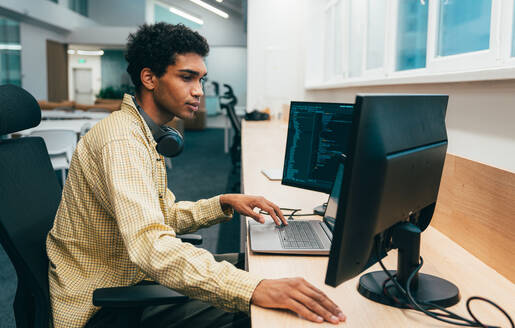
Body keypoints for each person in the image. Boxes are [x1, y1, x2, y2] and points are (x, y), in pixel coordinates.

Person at [46, 23, 346, 328]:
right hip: (108, 303)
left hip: (134, 276)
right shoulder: (122, 142)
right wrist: (254, 289)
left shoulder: (142, 132)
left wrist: (223, 203)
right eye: (187, 77)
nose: (198, 91)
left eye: (201, 79)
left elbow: (162, 217)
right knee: (261, 307)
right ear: (148, 78)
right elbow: (152, 246)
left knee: (254, 270)